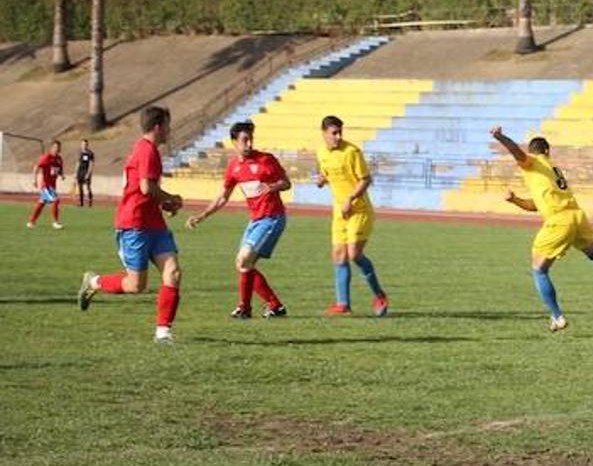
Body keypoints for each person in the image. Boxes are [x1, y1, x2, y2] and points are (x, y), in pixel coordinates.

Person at [492, 126, 593, 331]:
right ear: (548, 151)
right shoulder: (551, 168)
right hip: (576, 215)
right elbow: (536, 205)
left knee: (539, 270)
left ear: (535, 152)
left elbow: (517, 152)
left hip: (559, 220)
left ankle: (557, 317)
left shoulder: (532, 162)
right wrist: (515, 200)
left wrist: (500, 137)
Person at [77, 106, 184, 344]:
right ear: (158, 126)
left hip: (154, 223)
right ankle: (93, 282)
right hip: (134, 224)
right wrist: (171, 199)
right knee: (135, 285)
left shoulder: (150, 150)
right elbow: (147, 188)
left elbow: (144, 190)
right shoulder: (146, 150)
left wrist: (163, 204)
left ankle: (163, 333)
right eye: (167, 125)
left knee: (173, 272)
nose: (169, 130)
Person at [186, 121, 290, 320]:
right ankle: (268, 307)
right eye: (244, 140)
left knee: (244, 260)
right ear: (234, 142)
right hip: (256, 220)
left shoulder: (266, 160)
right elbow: (223, 197)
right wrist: (202, 215)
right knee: (243, 264)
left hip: (272, 217)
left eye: (251, 139)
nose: (249, 144)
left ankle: (250, 307)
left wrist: (273, 186)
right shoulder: (234, 167)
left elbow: (286, 183)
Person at [314, 115, 388, 317]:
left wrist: (350, 198)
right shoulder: (321, 153)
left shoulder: (352, 152)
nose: (337, 137)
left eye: (340, 132)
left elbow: (365, 180)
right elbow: (328, 173)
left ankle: (379, 295)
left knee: (354, 254)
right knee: (338, 255)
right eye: (333, 133)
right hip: (339, 211)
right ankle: (343, 304)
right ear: (324, 133)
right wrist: (322, 179)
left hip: (359, 209)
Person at [27, 139, 64, 229]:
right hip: (46, 186)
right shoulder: (46, 157)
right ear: (51, 148)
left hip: (52, 186)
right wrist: (34, 180)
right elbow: (36, 167)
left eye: (58, 148)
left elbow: (59, 170)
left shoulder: (59, 159)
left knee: (41, 203)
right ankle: (55, 223)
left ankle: (31, 222)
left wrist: (62, 175)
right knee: (56, 200)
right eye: (55, 147)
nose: (57, 149)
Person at [75, 139, 95, 207]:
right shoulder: (79, 152)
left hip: (86, 171)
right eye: (83, 144)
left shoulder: (90, 153)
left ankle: (90, 201)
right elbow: (78, 162)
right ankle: (81, 202)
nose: (84, 146)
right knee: (80, 187)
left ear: (87, 145)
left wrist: (88, 173)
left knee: (88, 187)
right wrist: (75, 172)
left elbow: (91, 164)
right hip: (80, 172)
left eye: (85, 144)